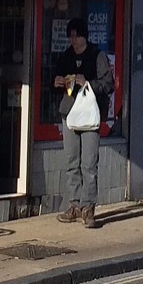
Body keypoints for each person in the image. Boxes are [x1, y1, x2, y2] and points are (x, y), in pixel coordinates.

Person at [50, 17, 113, 227]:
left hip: (90, 116)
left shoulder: (97, 55)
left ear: (84, 35)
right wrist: (57, 82)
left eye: (76, 35)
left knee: (89, 163)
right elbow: (55, 79)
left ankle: (88, 208)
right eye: (70, 35)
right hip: (69, 113)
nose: (72, 39)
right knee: (71, 162)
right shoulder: (66, 56)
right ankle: (75, 205)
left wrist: (87, 83)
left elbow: (108, 84)